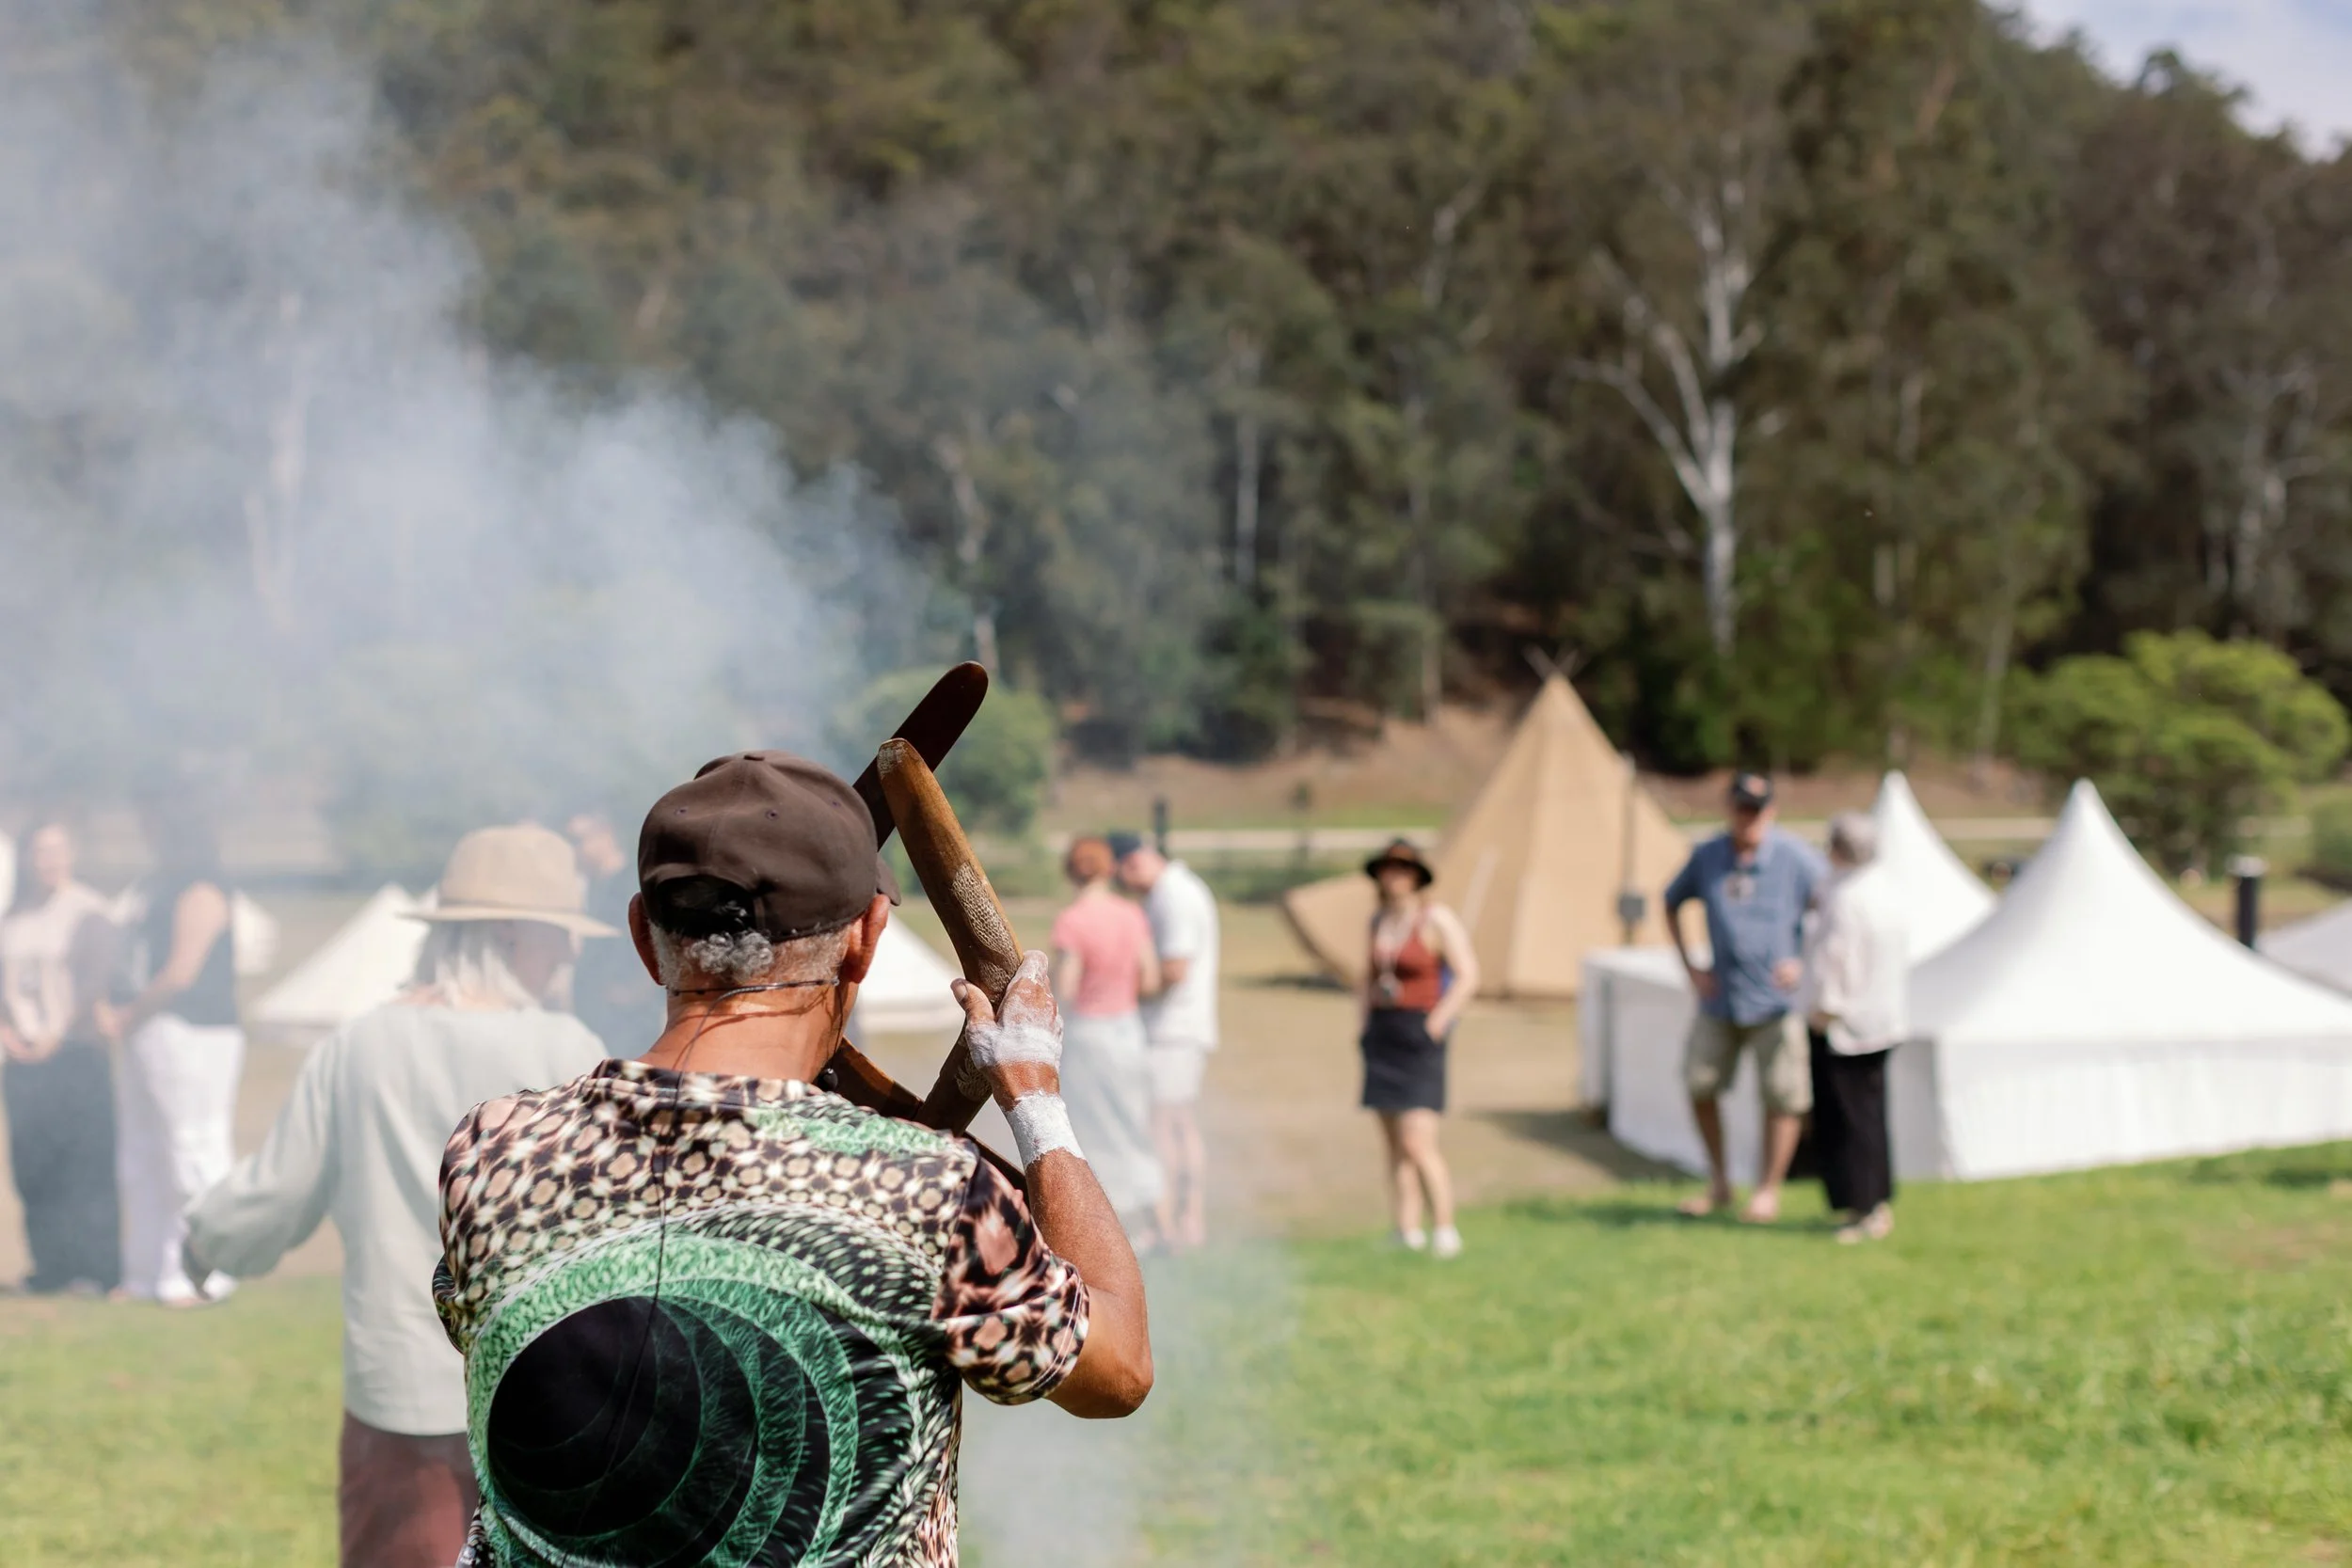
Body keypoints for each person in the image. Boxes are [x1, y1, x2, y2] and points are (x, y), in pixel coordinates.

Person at [433, 751, 1152, 1566]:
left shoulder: (491, 1152)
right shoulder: (930, 1193)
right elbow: (1118, 1366)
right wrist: (1034, 1097)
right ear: (866, 939)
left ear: (643, 934)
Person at [184, 824, 615, 1568]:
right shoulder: (570, 1049)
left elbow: (275, 1195)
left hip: (400, 1400)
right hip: (544, 1404)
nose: (572, 952)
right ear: (512, 935)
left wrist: (206, 1243)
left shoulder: (361, 1045)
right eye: (561, 934)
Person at [96, 794, 243, 1304]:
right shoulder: (155, 888)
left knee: (192, 1150)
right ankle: (148, 1274)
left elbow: (181, 972)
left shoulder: (201, 889)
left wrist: (128, 1014)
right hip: (148, 1031)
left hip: (194, 1032)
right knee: (144, 1154)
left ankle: (205, 1273)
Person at [1664, 771, 1826, 1225]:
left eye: (1756, 810)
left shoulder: (1796, 858)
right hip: (1721, 1000)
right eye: (1740, 809)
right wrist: (1691, 968)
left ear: (1770, 812)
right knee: (1700, 1083)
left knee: (1781, 1096)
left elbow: (1833, 906)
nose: (1748, 818)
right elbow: (1670, 901)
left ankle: (1767, 1190)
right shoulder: (1708, 856)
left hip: (1776, 1004)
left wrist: (1804, 959)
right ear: (1729, 810)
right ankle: (1719, 1181)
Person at [1, 820, 122, 1293]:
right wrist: (8, 1031)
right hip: (22, 1058)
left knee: (84, 1166)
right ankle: (49, 1267)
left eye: (58, 851)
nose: (48, 861)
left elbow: (94, 980)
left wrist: (60, 1031)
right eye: (39, 852)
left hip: (75, 1054)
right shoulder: (14, 915)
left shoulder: (89, 911)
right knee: (34, 1167)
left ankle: (97, 1269)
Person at [1358, 839, 1479, 1258]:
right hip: (1384, 1031)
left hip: (1419, 1032)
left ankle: (1444, 1228)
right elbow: (1367, 976)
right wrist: (1363, 1023)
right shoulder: (1378, 922)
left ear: (1416, 877)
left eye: (1402, 870)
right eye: (1387, 869)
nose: (1394, 877)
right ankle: (1405, 1229)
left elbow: (1467, 974)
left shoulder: (1436, 919)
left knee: (1419, 1142)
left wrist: (1438, 1020)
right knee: (1393, 1143)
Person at [1801, 812, 1909, 1243]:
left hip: (1845, 1025)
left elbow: (1835, 962)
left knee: (1851, 1123)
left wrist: (1821, 1012)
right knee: (1871, 1118)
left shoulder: (1847, 899)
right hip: (1883, 1020)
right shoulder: (1886, 891)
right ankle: (1872, 1201)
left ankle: (1866, 1208)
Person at [1051, 835, 1165, 1240]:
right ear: (1109, 869)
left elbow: (1067, 987)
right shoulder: (1132, 915)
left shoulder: (1073, 921)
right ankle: (1150, 1218)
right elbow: (1150, 978)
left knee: (1096, 1126)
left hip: (1091, 1033)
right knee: (1132, 1121)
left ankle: (1119, 1227)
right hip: (1128, 1029)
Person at [1113, 832, 1220, 1250]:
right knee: (1178, 1125)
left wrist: (1121, 990)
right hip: (1179, 1029)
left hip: (1172, 1031)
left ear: (1132, 863)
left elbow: (1174, 969)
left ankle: (1168, 1227)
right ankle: (1186, 1222)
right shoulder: (1175, 890)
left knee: (1162, 1128)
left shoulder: (1172, 896)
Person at [564, 808, 660, 1053]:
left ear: (604, 832)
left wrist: (635, 993)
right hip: (597, 1014)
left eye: (579, 841)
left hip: (628, 1022)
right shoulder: (595, 886)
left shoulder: (633, 881)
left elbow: (657, 937)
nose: (575, 851)